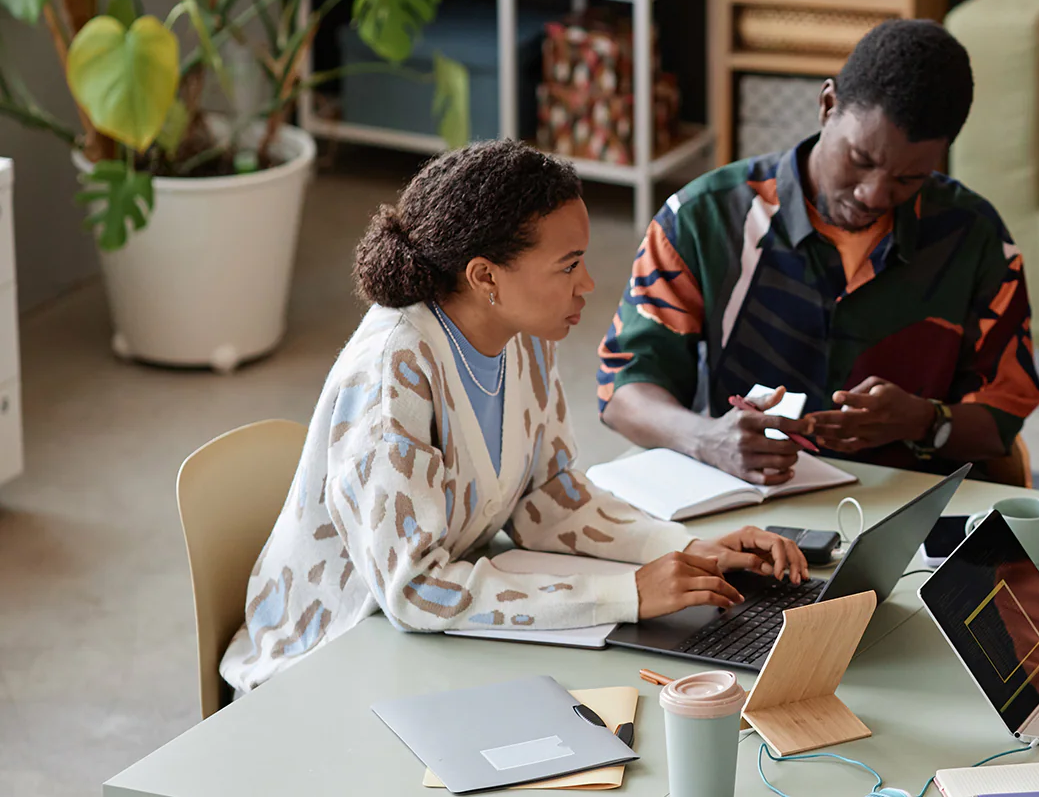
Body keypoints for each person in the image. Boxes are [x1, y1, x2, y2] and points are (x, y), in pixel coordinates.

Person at [221, 141, 805, 692]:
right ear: (485, 276)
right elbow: (416, 591)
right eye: (568, 265)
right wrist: (626, 593)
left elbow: (549, 497)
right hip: (328, 662)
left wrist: (683, 550)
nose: (588, 284)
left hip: (429, 645)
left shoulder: (521, 337)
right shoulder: (391, 373)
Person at [596, 19, 1039, 482]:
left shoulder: (975, 239)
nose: (873, 194)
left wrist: (924, 421)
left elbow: (1003, 415)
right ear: (828, 106)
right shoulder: (701, 218)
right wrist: (706, 439)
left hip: (911, 507)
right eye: (861, 160)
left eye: (908, 179)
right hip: (744, 495)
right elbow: (623, 390)